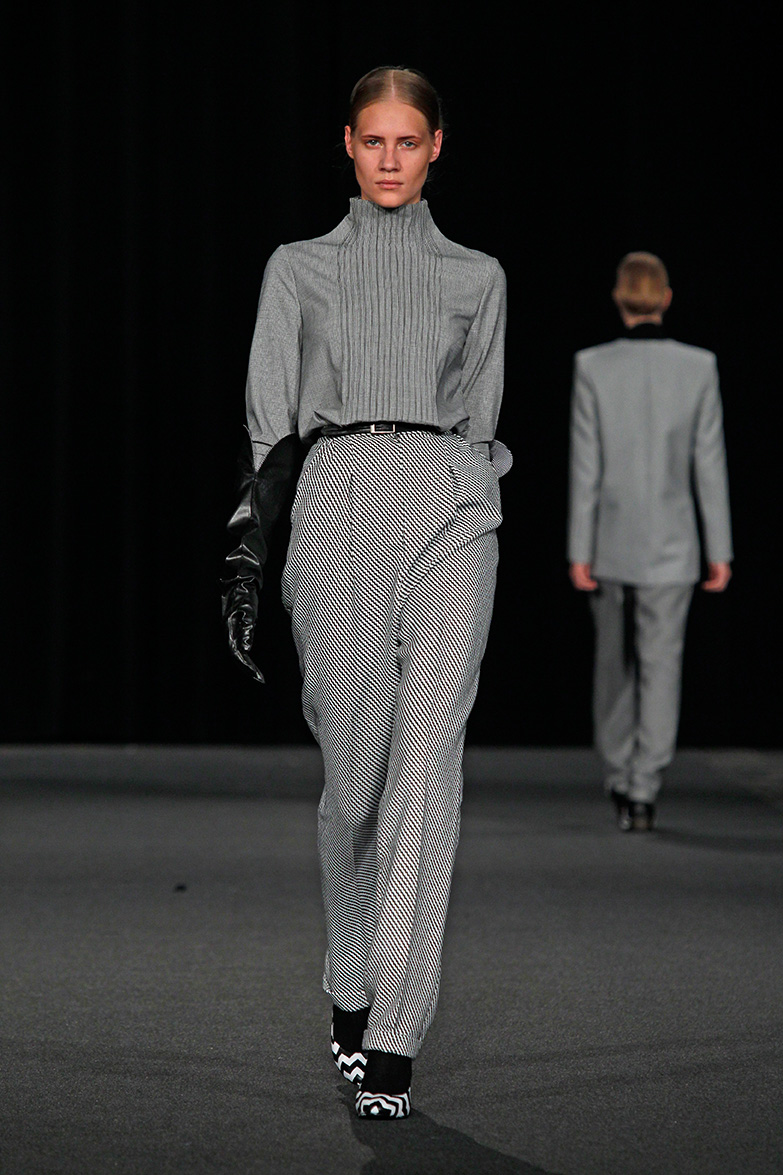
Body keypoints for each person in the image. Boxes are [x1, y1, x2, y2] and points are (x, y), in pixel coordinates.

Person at [221, 66, 510, 1119]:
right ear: (347, 144)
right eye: (373, 140)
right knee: (354, 782)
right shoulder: (297, 267)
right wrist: (250, 550)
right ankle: (350, 976)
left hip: (450, 500)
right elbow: (270, 425)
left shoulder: (478, 276)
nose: (390, 158)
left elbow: (480, 416)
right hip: (336, 495)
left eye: (409, 141)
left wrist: (464, 486)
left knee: (427, 763)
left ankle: (394, 1030)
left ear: (436, 148)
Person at [568, 252, 732, 832]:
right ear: (665, 298)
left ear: (619, 299)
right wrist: (719, 549)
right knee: (662, 666)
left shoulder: (593, 365)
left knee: (613, 666)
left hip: (610, 538)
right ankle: (643, 789)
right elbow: (708, 463)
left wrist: (579, 548)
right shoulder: (699, 367)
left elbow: (586, 464)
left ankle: (620, 776)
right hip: (675, 542)